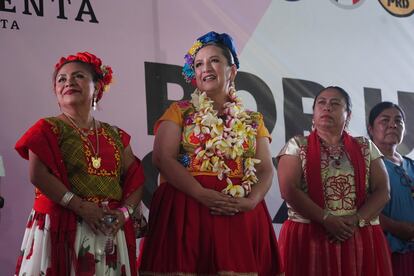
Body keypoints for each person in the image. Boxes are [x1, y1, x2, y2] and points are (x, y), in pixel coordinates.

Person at [139, 31, 282, 275]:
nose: (206, 68)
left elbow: (266, 168)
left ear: (232, 71)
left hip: (238, 212)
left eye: (214, 60)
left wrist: (252, 201)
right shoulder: (180, 111)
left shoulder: (252, 119)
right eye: (199, 64)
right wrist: (201, 194)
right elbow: (162, 158)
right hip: (186, 209)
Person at [14, 52, 145, 276]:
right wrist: (81, 207)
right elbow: (38, 175)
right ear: (56, 91)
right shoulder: (46, 128)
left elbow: (135, 179)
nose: (69, 82)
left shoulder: (116, 135)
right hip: (61, 227)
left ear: (97, 88)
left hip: (107, 229)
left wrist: (123, 214)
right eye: (61, 79)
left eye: (78, 76)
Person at [277, 86, 393, 276]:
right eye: (321, 103)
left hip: (357, 233)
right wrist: (326, 219)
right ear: (313, 114)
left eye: (335, 103)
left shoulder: (365, 146)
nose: (327, 107)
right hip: (310, 234)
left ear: (348, 115)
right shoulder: (297, 145)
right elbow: (289, 190)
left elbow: (383, 191)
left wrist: (356, 220)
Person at [368, 101, 414, 275]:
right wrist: (395, 227)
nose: (393, 125)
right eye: (385, 120)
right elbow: (359, 206)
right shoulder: (365, 164)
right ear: (371, 129)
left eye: (398, 121)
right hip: (384, 251)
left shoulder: (411, 164)